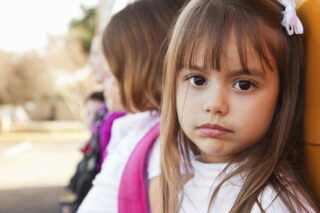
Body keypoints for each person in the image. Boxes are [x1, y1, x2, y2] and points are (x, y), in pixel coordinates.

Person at [160, 0, 320, 212]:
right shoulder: (192, 179)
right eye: (197, 80)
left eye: (243, 85)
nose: (214, 105)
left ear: (282, 94)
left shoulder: (270, 203)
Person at [77, 0, 187, 212]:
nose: (104, 83)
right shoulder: (139, 132)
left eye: (111, 73)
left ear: (142, 70)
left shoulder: (162, 148)